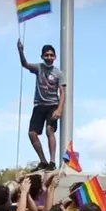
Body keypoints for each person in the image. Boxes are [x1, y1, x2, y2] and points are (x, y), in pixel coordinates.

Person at [17, 39, 66, 171]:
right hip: (39, 105)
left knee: (49, 130)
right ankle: (43, 161)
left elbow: (62, 91)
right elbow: (25, 64)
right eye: (46, 55)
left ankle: (52, 161)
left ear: (55, 57)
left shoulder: (58, 73)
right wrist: (21, 51)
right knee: (32, 133)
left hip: (52, 105)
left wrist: (60, 109)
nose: (49, 57)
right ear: (42, 56)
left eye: (51, 55)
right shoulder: (39, 68)